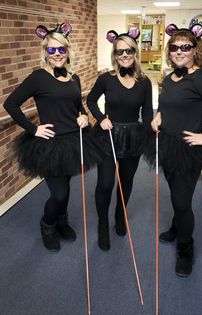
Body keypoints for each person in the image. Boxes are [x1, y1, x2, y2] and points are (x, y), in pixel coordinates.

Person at [3, 22, 104, 252]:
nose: (57, 54)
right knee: (60, 193)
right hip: (49, 144)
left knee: (66, 186)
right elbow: (11, 104)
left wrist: (84, 117)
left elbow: (78, 106)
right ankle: (47, 224)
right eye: (52, 50)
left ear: (68, 51)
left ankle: (62, 221)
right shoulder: (38, 77)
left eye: (61, 49)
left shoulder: (74, 78)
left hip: (74, 141)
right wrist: (33, 129)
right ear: (45, 52)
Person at [151, 23, 202, 277]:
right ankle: (177, 227)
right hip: (168, 144)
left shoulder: (200, 78)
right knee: (176, 191)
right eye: (174, 47)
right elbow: (168, 103)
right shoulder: (170, 77)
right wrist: (159, 117)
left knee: (181, 200)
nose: (178, 51)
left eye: (185, 47)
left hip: (188, 149)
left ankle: (186, 248)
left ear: (195, 50)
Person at [87, 27, 153, 251]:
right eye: (119, 51)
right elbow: (92, 101)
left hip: (133, 136)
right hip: (108, 134)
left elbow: (148, 112)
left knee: (126, 182)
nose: (124, 55)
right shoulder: (106, 78)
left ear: (135, 53)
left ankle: (119, 216)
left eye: (128, 51)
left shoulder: (145, 82)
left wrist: (149, 133)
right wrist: (100, 118)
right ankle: (103, 224)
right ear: (114, 55)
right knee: (105, 183)